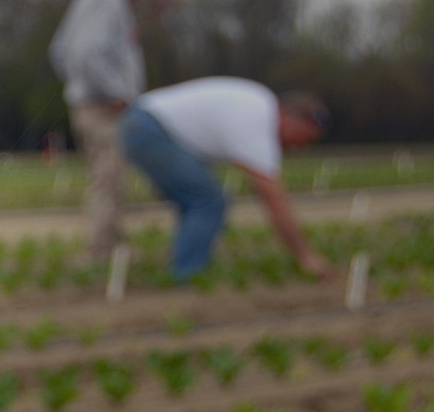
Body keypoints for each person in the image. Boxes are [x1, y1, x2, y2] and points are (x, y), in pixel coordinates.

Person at [117, 76, 335, 282]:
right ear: (288, 116)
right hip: (148, 128)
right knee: (207, 201)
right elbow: (273, 198)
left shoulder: (258, 103)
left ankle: (186, 270)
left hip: (141, 122)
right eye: (302, 138)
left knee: (197, 200)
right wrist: (305, 255)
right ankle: (186, 276)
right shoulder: (256, 119)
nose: (298, 147)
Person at [48, 0, 156, 262]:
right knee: (109, 182)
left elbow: (61, 51)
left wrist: (79, 86)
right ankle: (102, 253)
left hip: (93, 104)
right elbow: (86, 53)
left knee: (108, 179)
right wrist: (115, 93)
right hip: (103, 109)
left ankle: (109, 248)